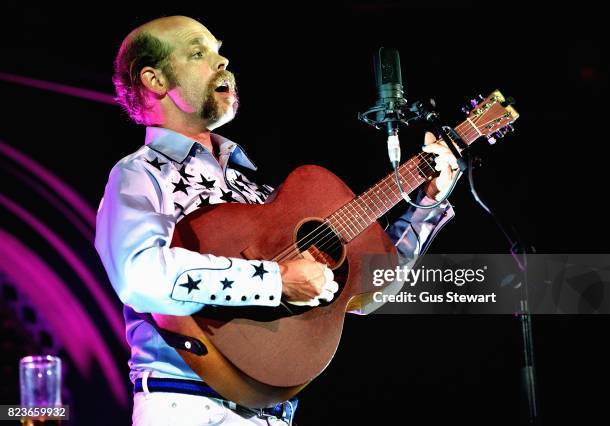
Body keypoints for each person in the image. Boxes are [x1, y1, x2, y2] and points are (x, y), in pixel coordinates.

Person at [94, 15, 457, 426]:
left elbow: (369, 289)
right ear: (155, 80)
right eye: (199, 53)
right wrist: (276, 280)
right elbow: (140, 275)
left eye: (219, 50)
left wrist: (426, 203)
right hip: (188, 408)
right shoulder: (141, 173)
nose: (222, 61)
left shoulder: (254, 191)